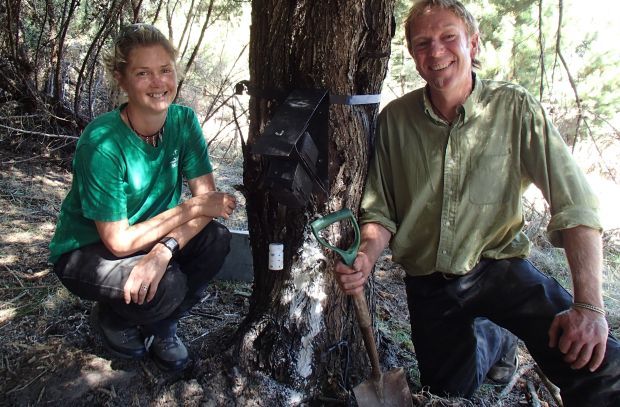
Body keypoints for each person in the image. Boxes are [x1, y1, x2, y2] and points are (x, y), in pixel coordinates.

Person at [334, 1, 620, 405]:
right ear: (413, 55)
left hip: (499, 269)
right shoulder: (396, 120)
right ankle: (495, 338)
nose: (436, 51)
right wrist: (366, 255)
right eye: (422, 43)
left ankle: (503, 328)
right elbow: (381, 212)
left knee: (599, 367)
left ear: (473, 42)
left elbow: (575, 204)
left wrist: (590, 306)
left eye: (448, 37)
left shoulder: (513, 107)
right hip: (429, 282)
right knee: (449, 393)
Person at [48, 24, 237, 372]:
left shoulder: (184, 121)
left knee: (216, 240)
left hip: (147, 239)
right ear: (121, 79)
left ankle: (160, 325)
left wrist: (164, 250)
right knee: (168, 285)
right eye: (143, 73)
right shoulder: (102, 142)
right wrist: (191, 208)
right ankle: (114, 319)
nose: (158, 82)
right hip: (88, 250)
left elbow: (209, 207)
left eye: (165, 70)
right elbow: (119, 241)